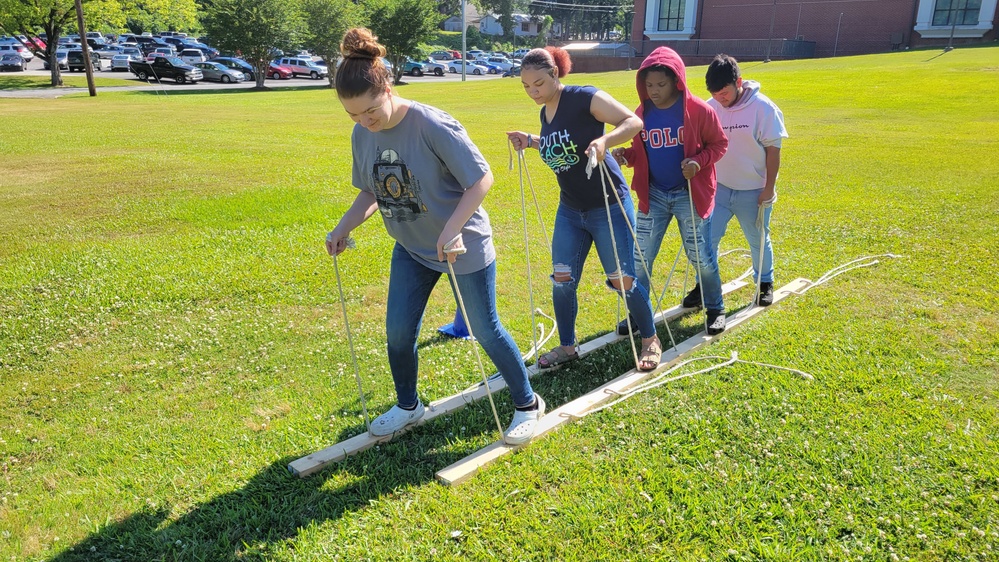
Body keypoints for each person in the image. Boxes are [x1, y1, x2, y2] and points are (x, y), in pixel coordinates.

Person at [324, 28, 543, 445]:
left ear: (387, 87)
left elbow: (481, 179)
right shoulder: (361, 134)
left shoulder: (430, 123)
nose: (365, 122)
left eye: (370, 111)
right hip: (412, 247)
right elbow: (371, 189)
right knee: (398, 333)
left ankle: (527, 404)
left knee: (485, 329)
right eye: (353, 116)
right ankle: (409, 405)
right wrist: (343, 228)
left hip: (463, 245)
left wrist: (451, 230)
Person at [506, 47, 662, 372]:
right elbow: (563, 145)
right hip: (571, 210)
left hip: (608, 207)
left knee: (624, 280)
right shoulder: (544, 112)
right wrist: (532, 141)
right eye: (525, 86)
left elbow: (633, 122)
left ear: (554, 75)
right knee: (562, 279)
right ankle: (567, 346)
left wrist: (606, 142)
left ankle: (650, 340)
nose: (533, 91)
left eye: (538, 83)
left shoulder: (584, 97)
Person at [612, 46, 729, 336]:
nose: (654, 90)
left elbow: (719, 144)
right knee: (640, 259)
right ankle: (639, 314)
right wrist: (626, 156)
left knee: (701, 256)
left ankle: (715, 308)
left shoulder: (699, 110)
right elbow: (642, 153)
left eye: (661, 84)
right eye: (648, 84)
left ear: (677, 80)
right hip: (654, 196)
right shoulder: (641, 114)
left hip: (689, 195)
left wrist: (698, 162)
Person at [704, 54, 788, 306]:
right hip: (718, 188)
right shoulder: (710, 106)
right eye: (715, 93)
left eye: (725, 92)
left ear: (738, 81)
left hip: (754, 190)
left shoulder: (763, 108)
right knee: (707, 239)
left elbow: (774, 150)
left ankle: (764, 283)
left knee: (758, 238)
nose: (721, 98)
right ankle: (705, 285)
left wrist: (768, 189)